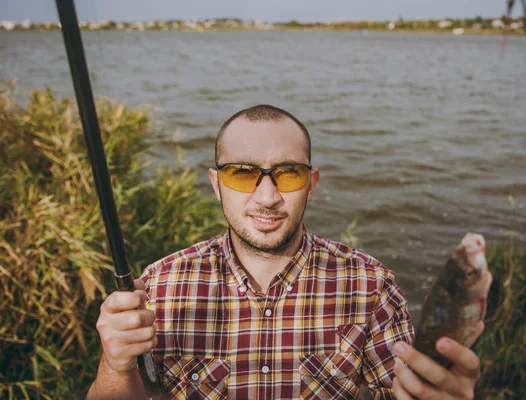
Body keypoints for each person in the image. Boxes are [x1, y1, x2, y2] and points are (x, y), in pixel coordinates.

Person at [87, 105, 487, 399]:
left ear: (311, 185)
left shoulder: (370, 287)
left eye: (288, 173)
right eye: (242, 173)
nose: (267, 196)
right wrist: (116, 365)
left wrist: (439, 392)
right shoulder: (161, 286)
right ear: (215, 183)